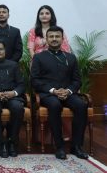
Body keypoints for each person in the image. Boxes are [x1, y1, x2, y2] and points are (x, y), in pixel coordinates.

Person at [31, 26, 88, 160]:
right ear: (46, 39)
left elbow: (77, 80)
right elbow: (34, 80)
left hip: (68, 93)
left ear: (62, 39)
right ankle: (59, 147)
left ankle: (76, 146)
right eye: (51, 36)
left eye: (57, 36)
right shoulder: (39, 57)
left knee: (81, 105)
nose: (54, 39)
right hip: (48, 94)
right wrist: (53, 91)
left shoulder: (71, 57)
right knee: (55, 105)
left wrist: (68, 91)